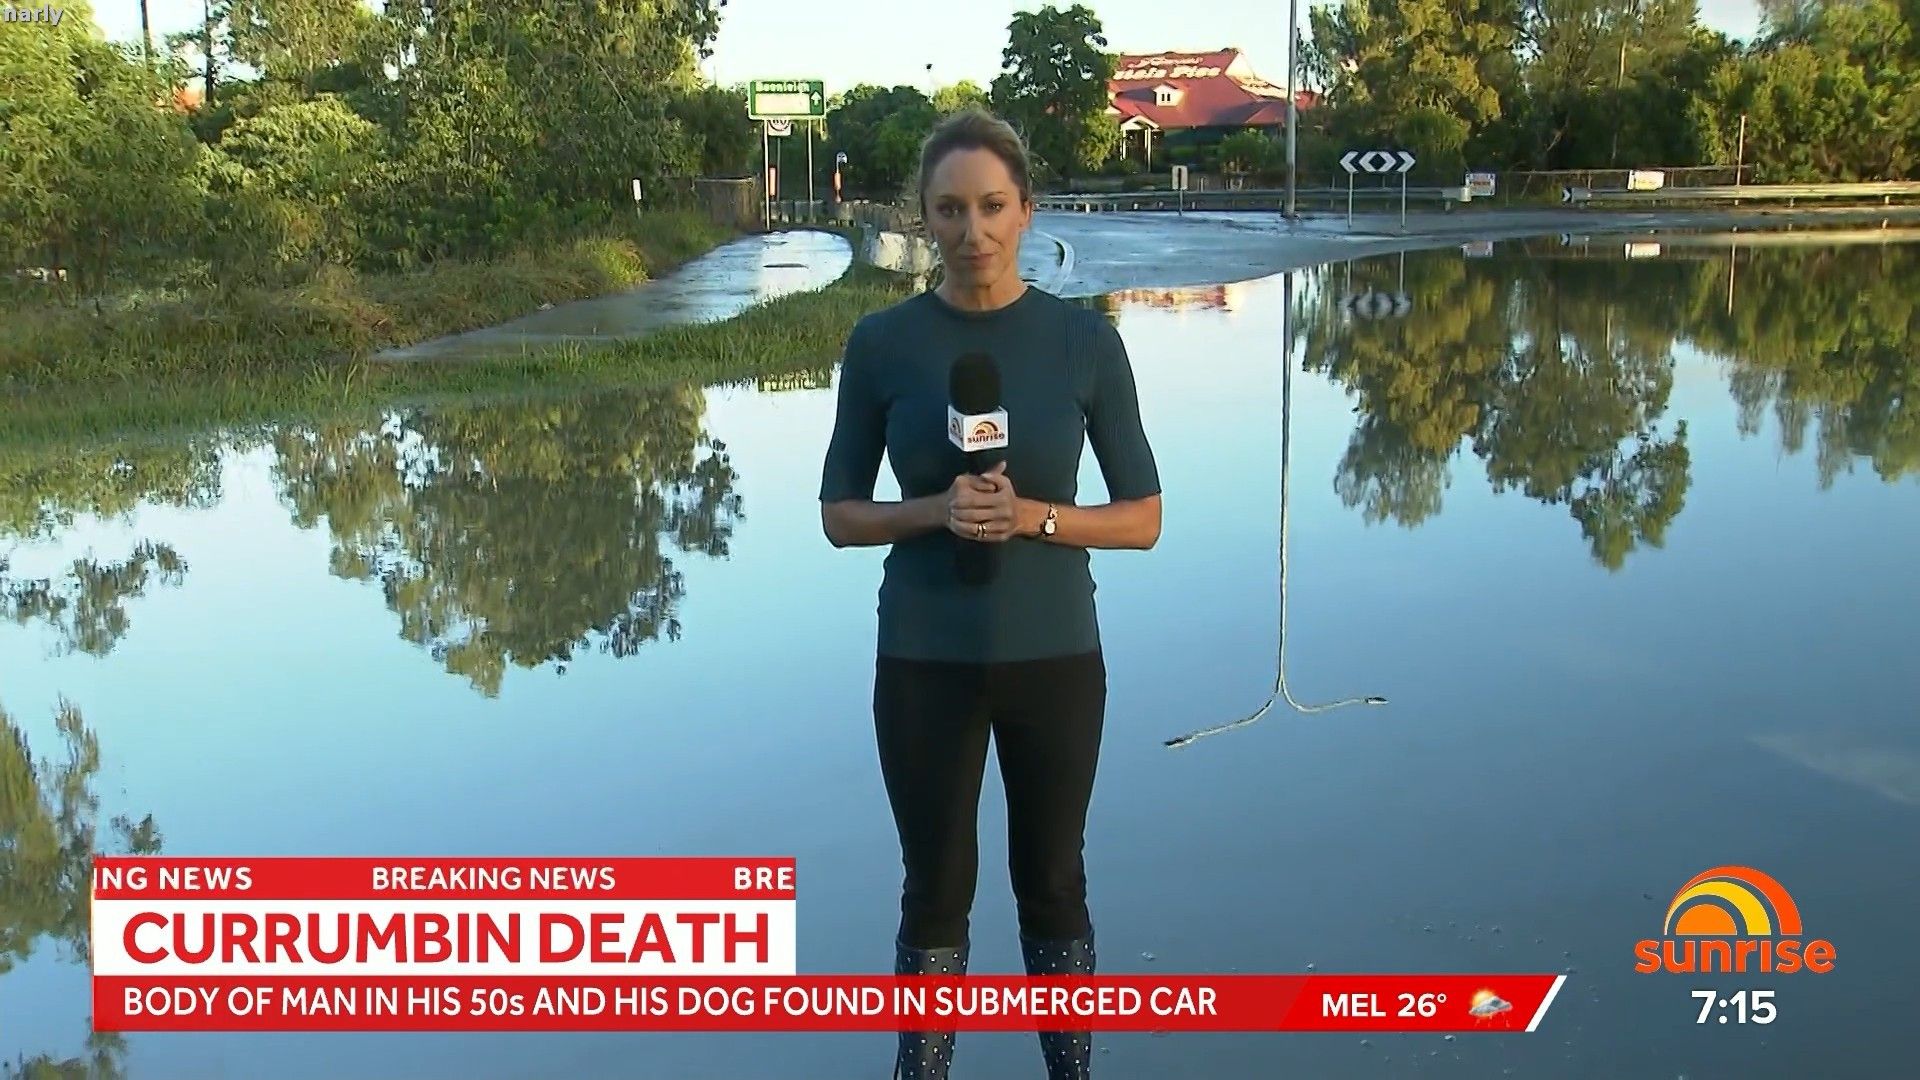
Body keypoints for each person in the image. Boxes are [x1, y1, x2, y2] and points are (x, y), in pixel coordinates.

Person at [817, 109, 1162, 1080]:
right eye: (950, 210)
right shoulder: (882, 343)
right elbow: (840, 515)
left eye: (993, 207)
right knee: (934, 888)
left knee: (1052, 881)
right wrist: (936, 510)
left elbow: (1142, 517)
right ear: (925, 217)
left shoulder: (1084, 341)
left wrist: (1033, 518)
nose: (973, 231)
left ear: (1027, 210)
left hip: (1055, 658)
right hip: (923, 660)